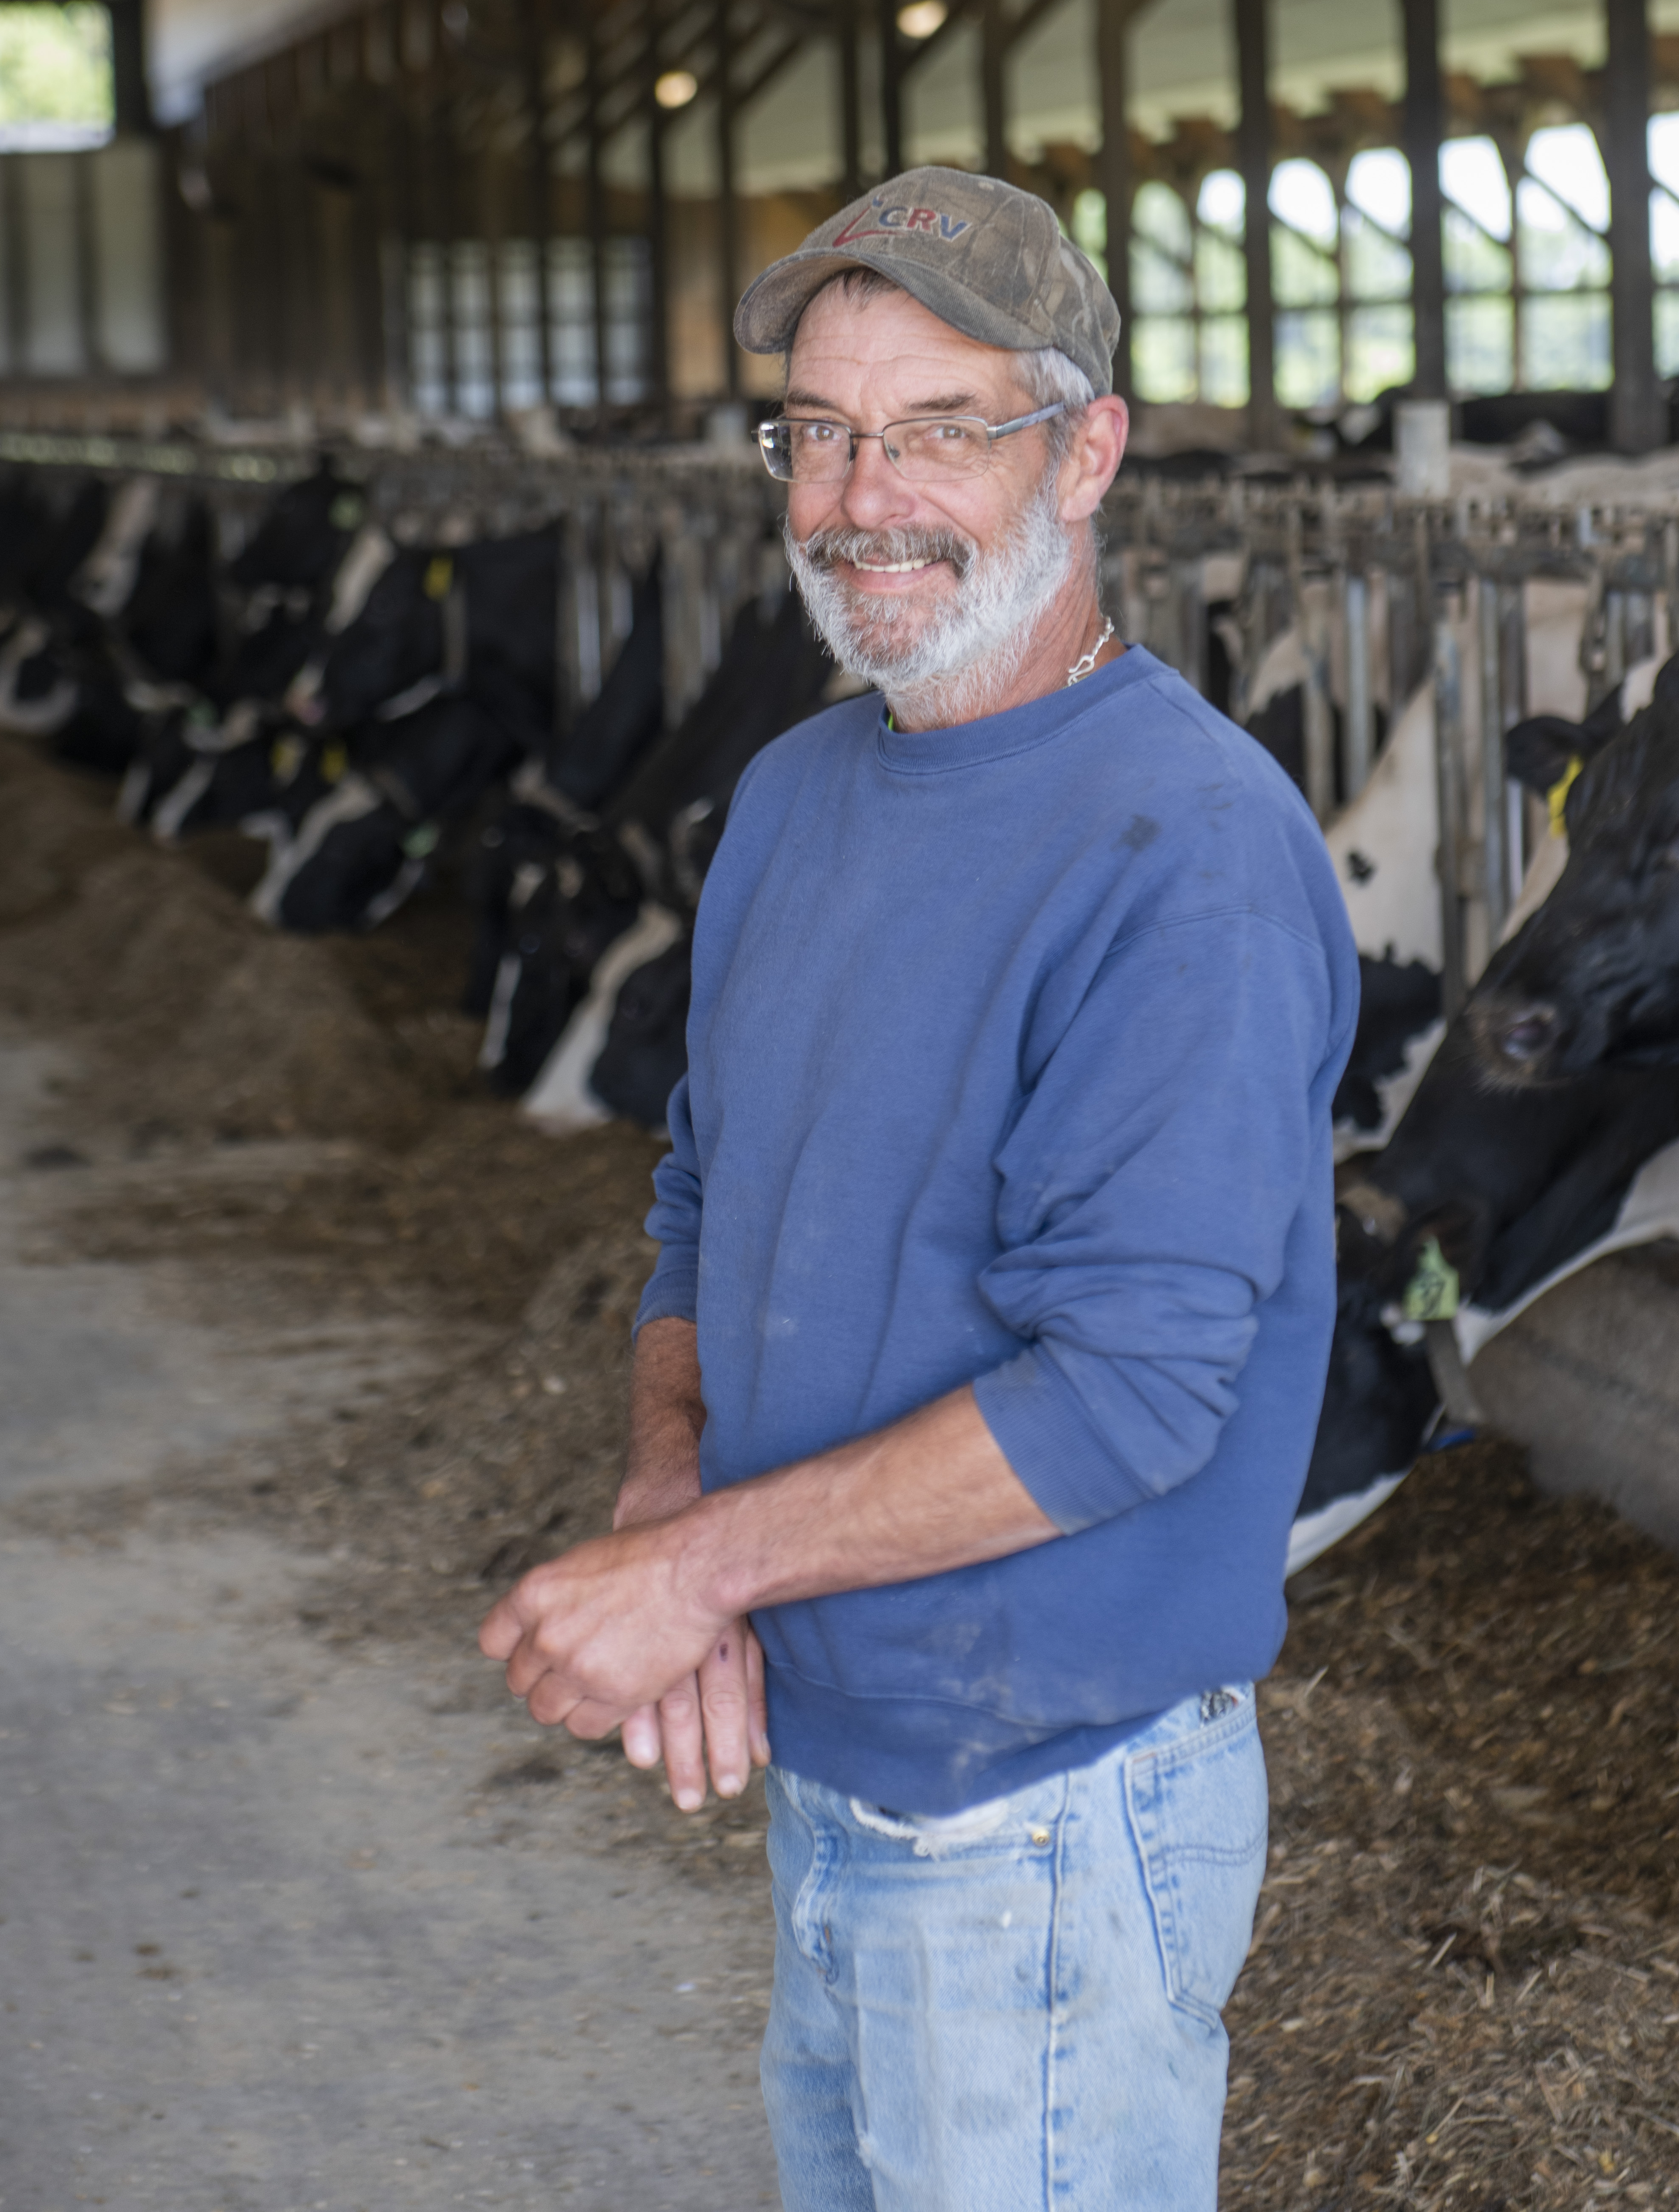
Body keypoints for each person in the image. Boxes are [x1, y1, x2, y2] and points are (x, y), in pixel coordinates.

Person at [482, 166, 1357, 2211]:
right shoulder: (794, 795)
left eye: (942, 427)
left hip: (1044, 1802)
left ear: (1091, 445)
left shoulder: (1185, 846)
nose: (864, 495)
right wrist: (671, 1492)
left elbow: (1129, 1393)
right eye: (819, 431)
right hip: (839, 1753)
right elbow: (708, 1197)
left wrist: (699, 1582)